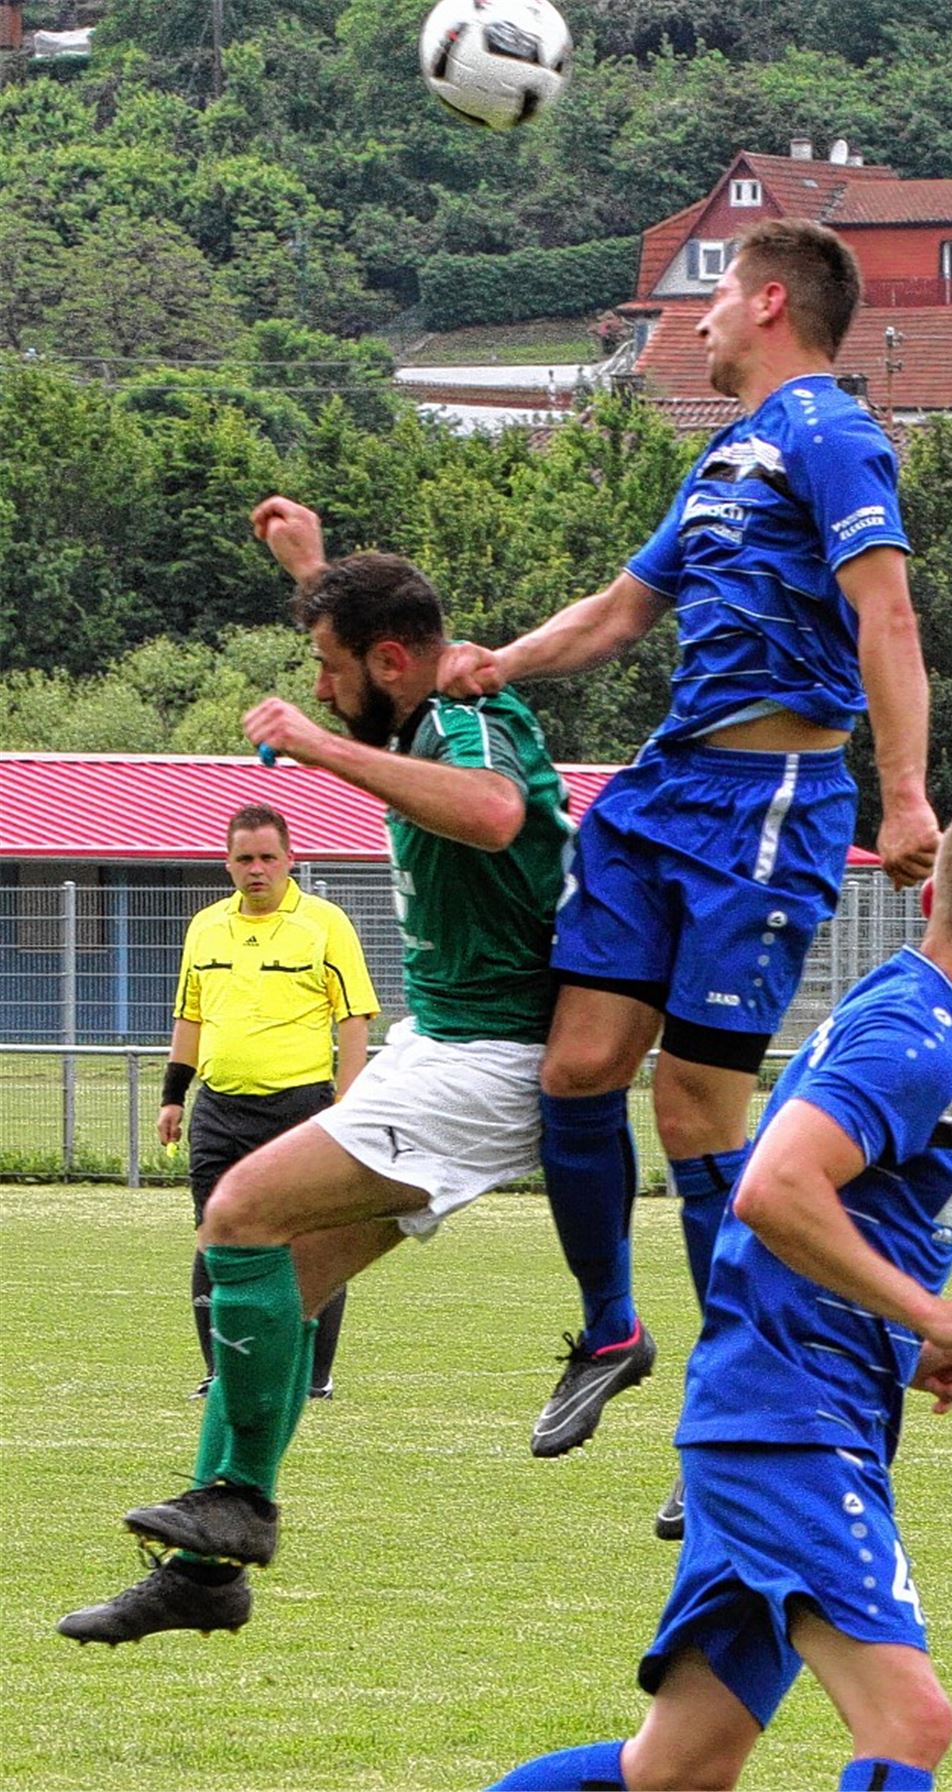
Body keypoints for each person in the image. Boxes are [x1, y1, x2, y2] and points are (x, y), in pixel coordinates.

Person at [439, 219, 940, 1538]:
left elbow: (886, 614)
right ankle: (612, 1332)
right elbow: (615, 614)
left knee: (700, 1111)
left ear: (771, 302)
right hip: (663, 798)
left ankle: (741, 1409)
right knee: (578, 1066)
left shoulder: (832, 435)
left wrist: (901, 793)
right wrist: (498, 661)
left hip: (770, 808)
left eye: (717, 292)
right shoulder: (723, 458)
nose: (700, 315)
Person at [484, 792, 952, 1792]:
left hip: (775, 1411)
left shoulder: (908, 1014)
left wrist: (907, 1336)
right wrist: (931, 1308)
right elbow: (773, 1189)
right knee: (909, 1720)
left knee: (678, 1767)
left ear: (930, 894)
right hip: (790, 1425)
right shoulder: (915, 1037)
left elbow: (814, 1214)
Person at [57, 498, 572, 1647]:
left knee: (236, 1215)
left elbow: (493, 814)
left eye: (333, 669)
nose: (325, 688)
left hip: (486, 1061)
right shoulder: (421, 699)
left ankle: (234, 1507)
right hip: (446, 1048)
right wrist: (313, 569)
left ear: (391, 664)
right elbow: (389, 647)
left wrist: (319, 746)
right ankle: (203, 1573)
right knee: (282, 1284)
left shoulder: (466, 726)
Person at [161, 803, 378, 1402]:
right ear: (227, 864)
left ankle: (313, 1375)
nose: (256, 869)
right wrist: (172, 1097)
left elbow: (354, 1016)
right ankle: (221, 1371)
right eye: (244, 859)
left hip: (300, 1109)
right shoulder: (205, 927)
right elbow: (191, 1016)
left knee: (308, 1239)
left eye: (267, 858)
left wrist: (346, 1102)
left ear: (289, 859)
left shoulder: (325, 923)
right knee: (216, 1236)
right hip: (218, 1109)